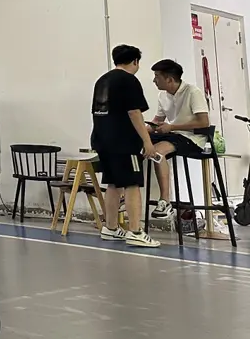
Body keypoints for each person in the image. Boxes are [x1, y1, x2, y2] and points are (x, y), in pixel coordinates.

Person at [90, 44, 160, 247]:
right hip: (124, 142)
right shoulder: (129, 80)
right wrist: (147, 141)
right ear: (135, 61)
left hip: (102, 139)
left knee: (113, 184)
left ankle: (111, 228)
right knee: (132, 184)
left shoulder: (102, 80)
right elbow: (134, 112)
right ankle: (136, 231)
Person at [147, 59, 212, 220]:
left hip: (192, 138)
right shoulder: (162, 95)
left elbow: (204, 122)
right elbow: (157, 120)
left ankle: (165, 201)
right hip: (173, 134)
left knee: (157, 152)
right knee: (136, 142)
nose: (154, 80)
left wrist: (172, 127)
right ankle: (124, 191)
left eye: (157, 76)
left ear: (169, 79)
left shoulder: (192, 92)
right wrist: (142, 129)